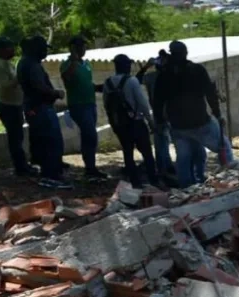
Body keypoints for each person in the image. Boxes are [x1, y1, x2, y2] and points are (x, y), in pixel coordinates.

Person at [153, 40, 236, 188]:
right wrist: (218, 114)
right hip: (201, 123)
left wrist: (160, 122)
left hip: (179, 127)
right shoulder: (196, 70)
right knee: (225, 148)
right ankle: (233, 179)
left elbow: (157, 102)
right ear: (185, 52)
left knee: (184, 159)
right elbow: (210, 94)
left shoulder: (164, 75)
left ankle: (188, 190)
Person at [16, 35, 70, 189]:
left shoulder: (25, 62)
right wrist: (56, 93)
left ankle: (49, 173)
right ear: (36, 48)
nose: (45, 52)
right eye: (44, 49)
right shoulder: (31, 65)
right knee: (51, 142)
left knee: (43, 142)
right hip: (39, 108)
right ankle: (51, 176)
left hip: (35, 107)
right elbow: (39, 87)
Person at [103, 54, 159, 189]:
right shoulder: (132, 81)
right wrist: (150, 121)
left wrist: (114, 123)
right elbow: (143, 103)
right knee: (147, 153)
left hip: (121, 124)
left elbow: (106, 105)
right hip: (136, 122)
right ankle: (154, 181)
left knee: (128, 153)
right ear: (127, 66)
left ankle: (135, 183)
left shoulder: (108, 83)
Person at [0, 36, 36, 177]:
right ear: (1, 50)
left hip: (13, 104)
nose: (13, 50)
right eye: (10, 47)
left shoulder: (6, 63)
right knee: (15, 138)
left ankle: (23, 166)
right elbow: (4, 87)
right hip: (7, 105)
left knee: (18, 137)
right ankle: (21, 169)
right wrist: (19, 78)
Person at [60, 35, 106, 181]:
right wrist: (73, 60)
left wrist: (99, 87)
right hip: (78, 105)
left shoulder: (86, 64)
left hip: (90, 103)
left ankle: (91, 168)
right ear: (72, 48)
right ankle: (90, 169)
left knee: (90, 137)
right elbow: (67, 78)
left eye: (84, 46)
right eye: (79, 46)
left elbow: (88, 83)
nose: (83, 49)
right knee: (90, 134)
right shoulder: (67, 64)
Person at [136, 50, 174, 177]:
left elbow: (138, 79)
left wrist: (147, 66)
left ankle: (166, 167)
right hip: (163, 115)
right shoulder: (153, 76)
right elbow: (137, 80)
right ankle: (165, 169)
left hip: (169, 115)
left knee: (165, 143)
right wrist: (146, 66)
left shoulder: (165, 75)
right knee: (162, 143)